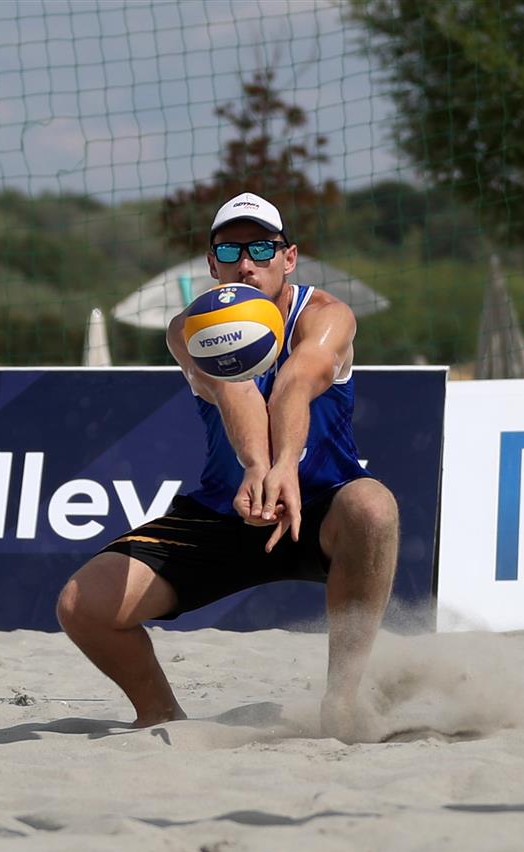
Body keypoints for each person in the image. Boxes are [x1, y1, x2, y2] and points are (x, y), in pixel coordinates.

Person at [56, 191, 399, 741]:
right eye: (230, 249)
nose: (246, 263)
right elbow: (231, 386)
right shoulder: (189, 328)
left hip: (319, 508)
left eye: (262, 248)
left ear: (289, 258)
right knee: (82, 605)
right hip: (227, 510)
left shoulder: (327, 317)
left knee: (373, 505)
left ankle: (341, 701)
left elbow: (295, 384)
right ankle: (161, 717)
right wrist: (258, 468)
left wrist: (282, 466)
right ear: (211, 263)